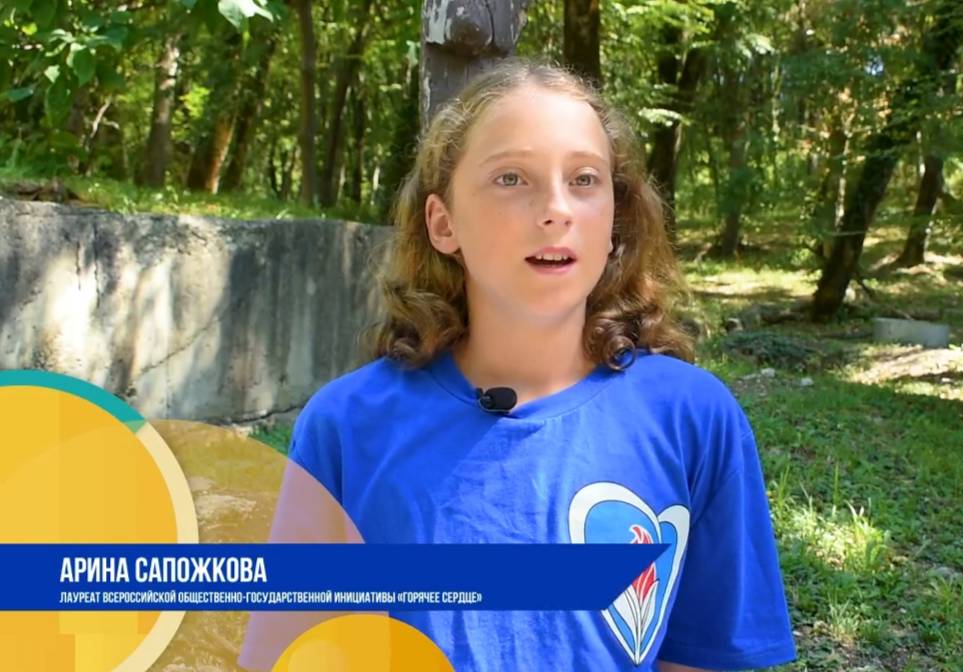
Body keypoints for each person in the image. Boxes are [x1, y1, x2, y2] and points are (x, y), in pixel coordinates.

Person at [251, 59, 796, 671]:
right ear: (443, 223)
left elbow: (700, 655)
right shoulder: (346, 427)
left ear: (614, 220)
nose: (557, 209)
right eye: (511, 178)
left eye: (584, 179)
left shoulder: (694, 419)